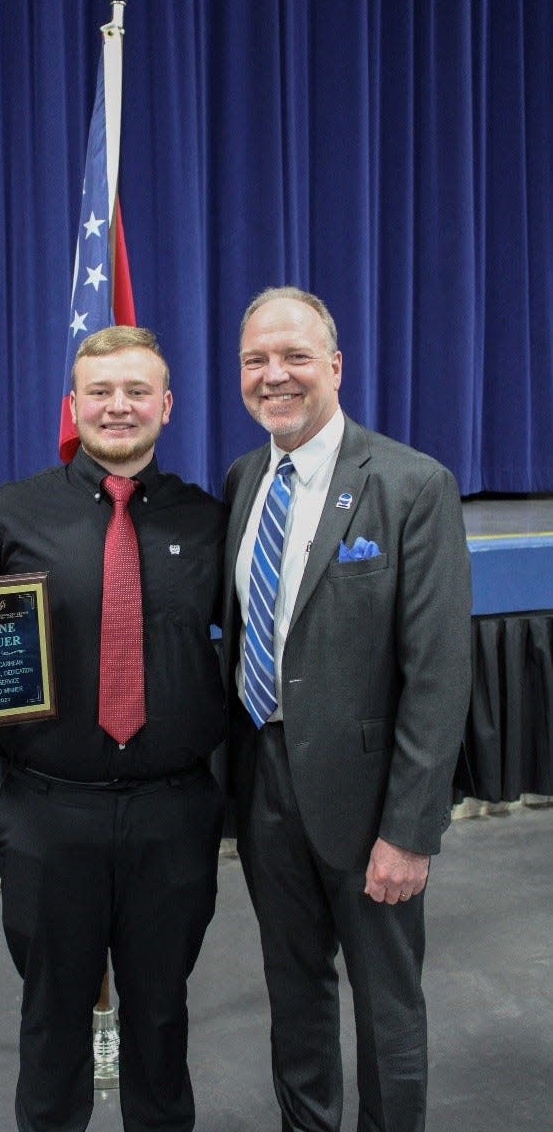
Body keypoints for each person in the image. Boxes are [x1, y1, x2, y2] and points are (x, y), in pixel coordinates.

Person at [0, 326, 226, 1132]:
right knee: (51, 1017)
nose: (117, 406)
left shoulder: (209, 520)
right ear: (73, 406)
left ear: (165, 405)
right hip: (49, 813)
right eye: (99, 391)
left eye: (135, 391)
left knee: (161, 1017)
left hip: (175, 812)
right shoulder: (8, 512)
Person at [221, 286, 471, 1132]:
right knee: (293, 1000)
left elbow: (436, 675)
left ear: (334, 365)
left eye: (293, 356)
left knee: (387, 1011)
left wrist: (409, 829)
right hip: (265, 787)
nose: (274, 375)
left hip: (369, 807)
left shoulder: (410, 484)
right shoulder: (243, 478)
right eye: (256, 359)